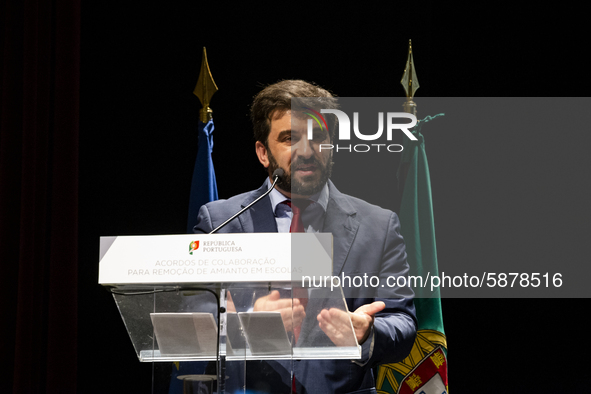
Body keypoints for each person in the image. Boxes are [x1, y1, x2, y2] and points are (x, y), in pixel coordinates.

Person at [194, 80, 417, 393]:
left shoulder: (379, 226)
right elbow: (193, 318)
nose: (307, 150)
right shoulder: (220, 222)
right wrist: (248, 323)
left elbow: (403, 323)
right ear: (263, 152)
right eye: (289, 138)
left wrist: (367, 332)